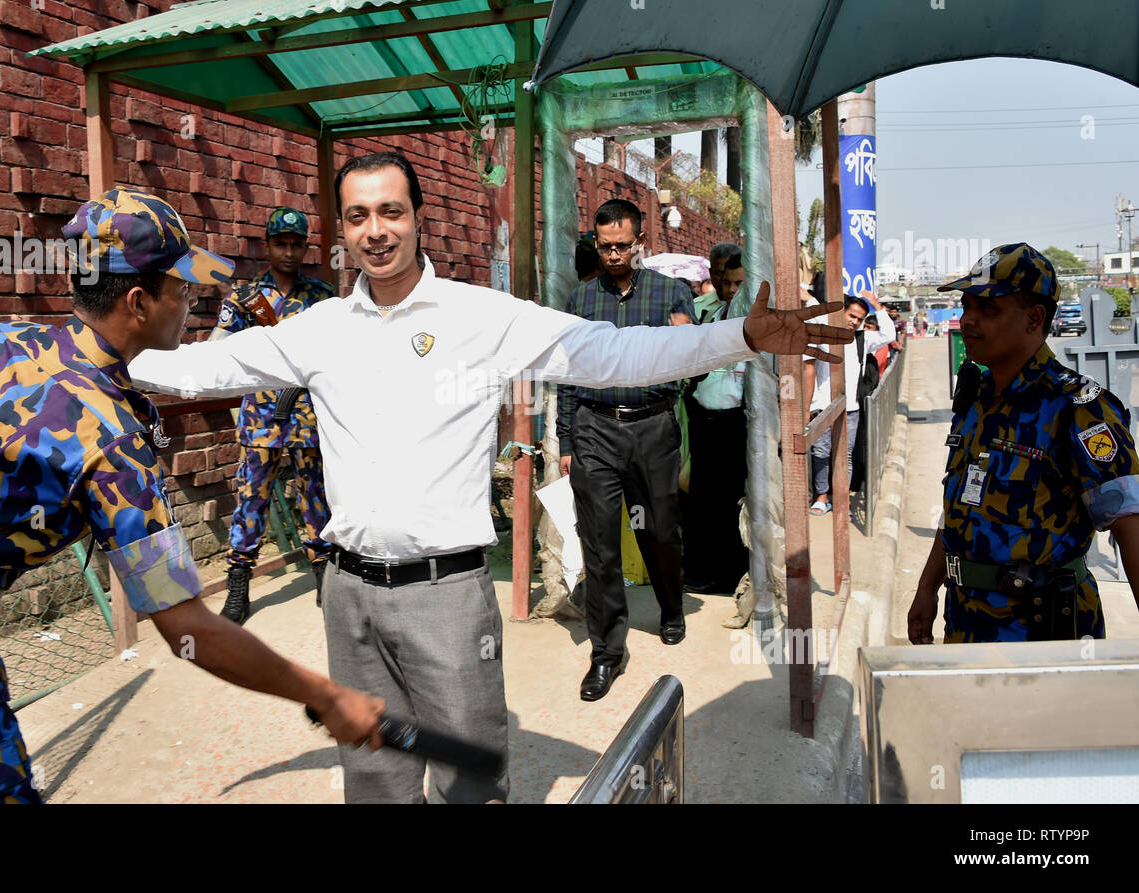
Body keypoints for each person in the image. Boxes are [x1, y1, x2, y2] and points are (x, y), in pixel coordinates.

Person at [128, 150, 852, 803]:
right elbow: (201, 369)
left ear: (419, 219)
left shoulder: (479, 318)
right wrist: (85, 348)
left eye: (390, 211)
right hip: (347, 599)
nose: (375, 230)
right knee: (375, 785)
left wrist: (743, 336)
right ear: (340, 232)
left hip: (445, 597)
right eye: (357, 216)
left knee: (472, 786)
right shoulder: (318, 329)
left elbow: (610, 354)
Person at [0, 187, 383, 804]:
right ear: (137, 301)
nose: (192, 302)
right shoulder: (111, 440)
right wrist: (325, 694)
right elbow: (186, 626)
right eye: (183, 289)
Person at [907, 243, 1139, 644]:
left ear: (1035, 318)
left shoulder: (1078, 408)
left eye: (989, 310)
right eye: (967, 307)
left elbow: (1130, 524)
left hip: (1045, 636)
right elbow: (964, 507)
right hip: (966, 626)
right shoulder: (977, 400)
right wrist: (927, 587)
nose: (969, 321)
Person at [556, 199, 698, 702]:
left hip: (652, 429)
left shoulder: (670, 294)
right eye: (605, 246)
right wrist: (567, 439)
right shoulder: (580, 302)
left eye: (622, 246)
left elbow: (696, 364)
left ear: (641, 243)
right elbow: (568, 375)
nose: (613, 255)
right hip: (596, 429)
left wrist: (688, 351)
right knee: (599, 543)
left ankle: (671, 604)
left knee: (659, 529)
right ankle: (607, 653)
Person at [210, 206, 335, 623]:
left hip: (307, 415)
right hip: (261, 416)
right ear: (268, 246)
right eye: (280, 244)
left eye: (296, 244)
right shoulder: (246, 297)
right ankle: (239, 585)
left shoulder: (320, 297)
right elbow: (218, 346)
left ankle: (324, 575)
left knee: (315, 498)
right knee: (251, 499)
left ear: (305, 247)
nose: (288, 252)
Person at [682, 242, 749, 595]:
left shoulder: (757, 319)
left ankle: (734, 575)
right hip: (703, 421)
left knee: (735, 501)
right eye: (723, 277)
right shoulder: (704, 314)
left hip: (741, 424)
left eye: (738, 282)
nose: (729, 286)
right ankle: (703, 573)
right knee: (704, 501)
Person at [804, 288, 895, 515]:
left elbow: (889, 335)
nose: (854, 322)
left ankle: (842, 500)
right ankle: (822, 496)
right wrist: (810, 299)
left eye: (859, 319)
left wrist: (877, 306)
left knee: (845, 455)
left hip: (850, 409)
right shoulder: (825, 334)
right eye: (851, 316)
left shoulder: (863, 339)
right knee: (821, 452)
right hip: (823, 408)